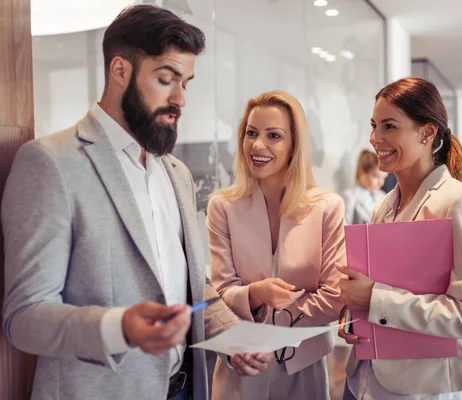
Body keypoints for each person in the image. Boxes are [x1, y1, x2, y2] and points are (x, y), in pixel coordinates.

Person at [1, 5, 272, 400]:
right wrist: (120, 327)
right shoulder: (49, 163)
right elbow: (24, 316)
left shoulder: (175, 172)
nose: (180, 99)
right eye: (166, 79)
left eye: (186, 83)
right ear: (120, 71)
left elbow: (190, 286)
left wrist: (232, 334)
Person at [337, 77, 462, 400]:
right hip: (361, 379)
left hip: (419, 387)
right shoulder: (384, 205)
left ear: (427, 133)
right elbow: (370, 288)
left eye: (389, 126)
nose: (375, 138)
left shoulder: (461, 203)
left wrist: (373, 300)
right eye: (374, 125)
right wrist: (351, 317)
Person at [207, 90, 346, 400]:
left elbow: (335, 295)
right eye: (251, 133)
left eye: (274, 136)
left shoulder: (327, 207)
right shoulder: (222, 207)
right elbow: (218, 295)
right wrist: (254, 294)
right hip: (240, 362)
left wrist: (274, 326)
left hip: (304, 365)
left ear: (295, 144)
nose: (258, 145)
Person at [342, 149, 388, 225]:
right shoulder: (349, 197)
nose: (381, 183)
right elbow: (345, 229)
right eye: (376, 177)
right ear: (362, 171)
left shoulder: (383, 196)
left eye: (384, 178)